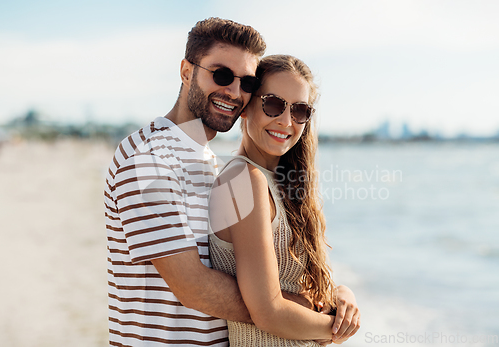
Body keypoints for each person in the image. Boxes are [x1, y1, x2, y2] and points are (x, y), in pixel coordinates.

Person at [105, 17, 359, 347]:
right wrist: (306, 309)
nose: (234, 91)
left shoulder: (206, 161)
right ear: (186, 71)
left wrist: (331, 293)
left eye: (247, 82)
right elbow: (193, 287)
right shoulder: (152, 159)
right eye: (221, 75)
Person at [208, 55, 361, 346]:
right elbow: (269, 311)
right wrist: (335, 326)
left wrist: (340, 295)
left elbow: (295, 286)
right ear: (246, 106)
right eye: (273, 104)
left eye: (300, 110)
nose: (286, 121)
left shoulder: (282, 183)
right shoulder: (243, 179)